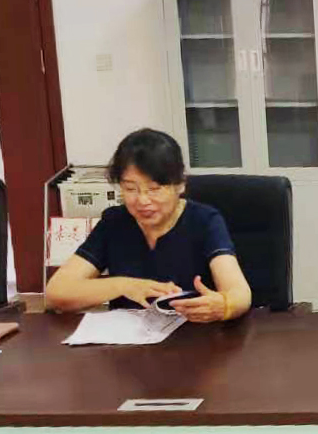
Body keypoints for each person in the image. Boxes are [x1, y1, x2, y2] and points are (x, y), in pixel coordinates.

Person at [45, 128, 252, 322]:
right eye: (130, 189)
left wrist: (224, 305)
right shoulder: (114, 222)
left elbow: (240, 294)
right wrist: (123, 285)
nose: (142, 200)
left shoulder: (204, 221)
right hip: (128, 341)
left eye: (154, 189)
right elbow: (56, 293)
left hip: (193, 337)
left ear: (180, 184)